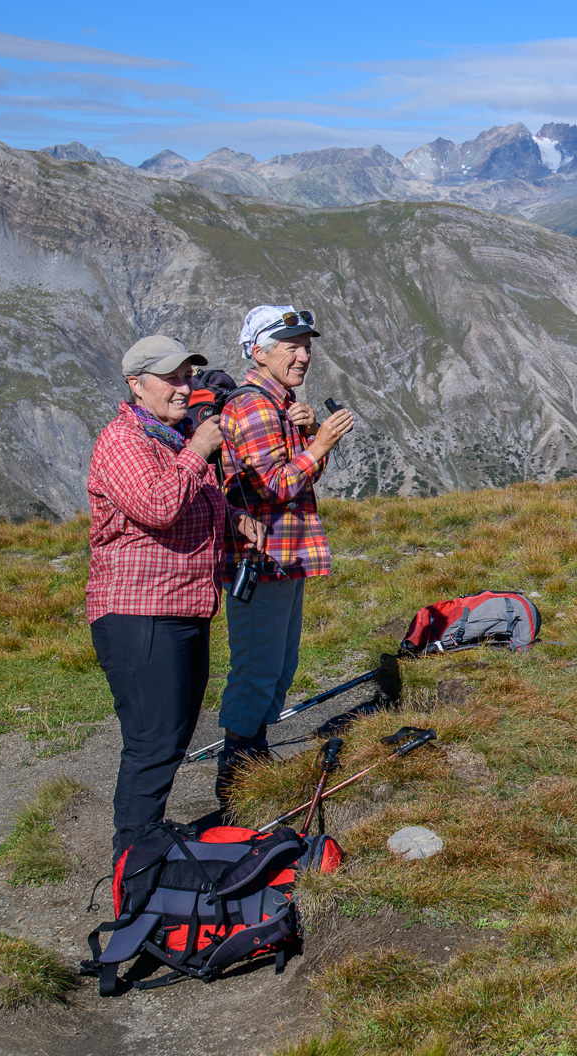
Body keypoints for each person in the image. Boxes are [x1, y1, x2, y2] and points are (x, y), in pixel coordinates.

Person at [86, 333, 268, 858]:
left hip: (184, 607)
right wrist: (198, 451)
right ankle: (135, 857)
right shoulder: (124, 440)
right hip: (139, 615)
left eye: (187, 376)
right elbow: (157, 506)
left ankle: (148, 838)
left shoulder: (169, 437)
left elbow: (193, 500)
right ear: (136, 384)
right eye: (171, 378)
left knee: (174, 732)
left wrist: (234, 519)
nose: (184, 388)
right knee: (153, 740)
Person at [214, 305, 354, 803]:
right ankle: (237, 773)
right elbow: (273, 486)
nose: (304, 356)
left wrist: (311, 438)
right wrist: (319, 444)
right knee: (258, 666)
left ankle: (252, 757)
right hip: (263, 560)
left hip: (284, 556)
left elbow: (296, 478)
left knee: (277, 665)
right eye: (291, 347)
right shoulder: (254, 408)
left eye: (306, 346)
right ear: (259, 352)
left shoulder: (281, 405)